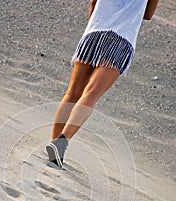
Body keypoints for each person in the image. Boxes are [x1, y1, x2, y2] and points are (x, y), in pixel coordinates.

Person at [46, 0, 159, 168]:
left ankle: (54, 150)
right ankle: (61, 143)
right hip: (122, 39)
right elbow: (148, 15)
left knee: (72, 93)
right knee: (91, 94)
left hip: (94, 32)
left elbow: (93, 3)